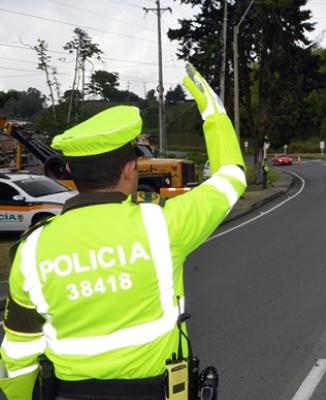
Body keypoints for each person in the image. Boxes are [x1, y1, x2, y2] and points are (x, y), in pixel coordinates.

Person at [0, 65, 246, 399]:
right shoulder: (162, 226)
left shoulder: (31, 251)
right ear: (131, 169)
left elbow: (17, 354)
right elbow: (231, 177)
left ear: (70, 170)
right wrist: (213, 113)